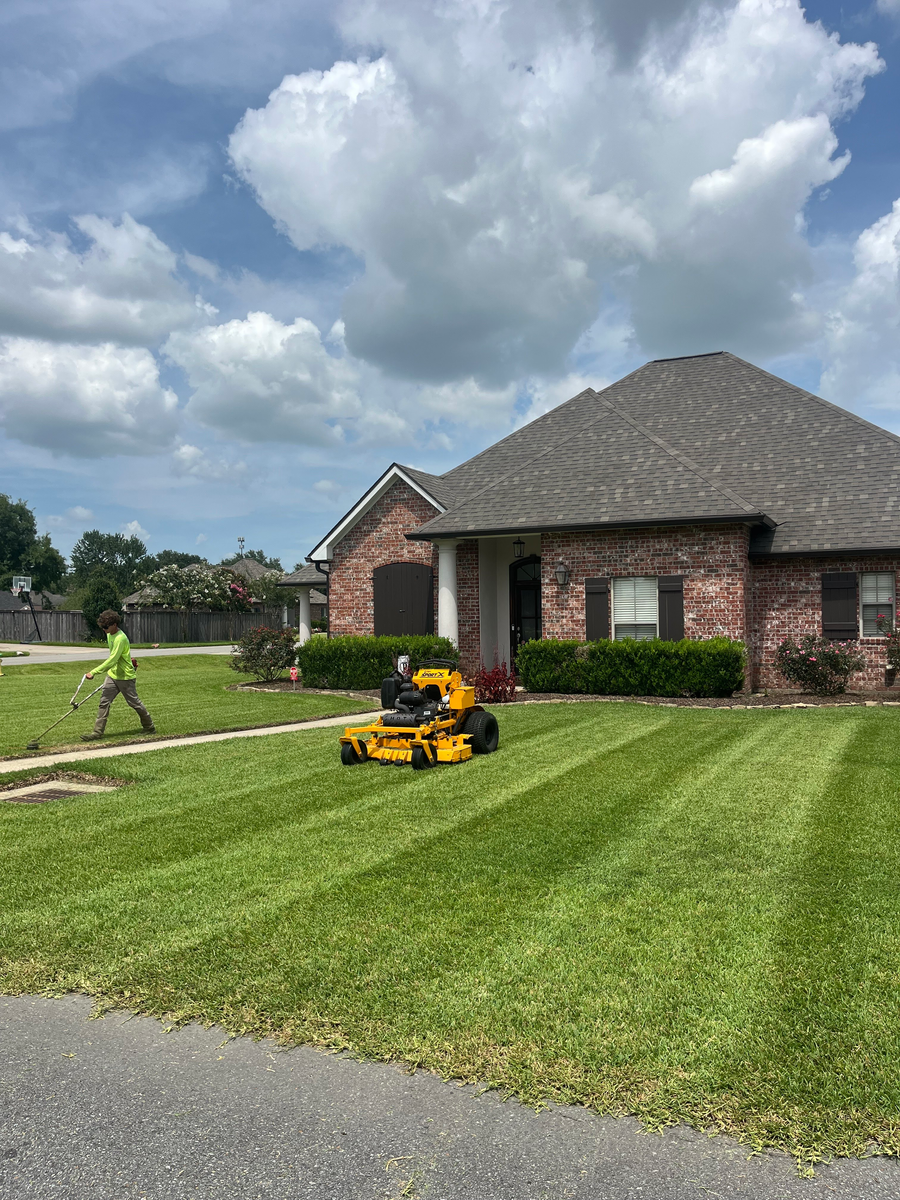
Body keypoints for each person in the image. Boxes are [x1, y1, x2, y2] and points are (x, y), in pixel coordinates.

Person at [80, 610, 156, 741]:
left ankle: (149, 727)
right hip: (113, 675)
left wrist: (93, 672)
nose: (104, 630)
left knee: (134, 703)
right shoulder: (110, 634)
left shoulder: (121, 638)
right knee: (104, 702)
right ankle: (97, 733)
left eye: (106, 627)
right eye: (102, 627)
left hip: (126, 677)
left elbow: (113, 659)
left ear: (114, 624)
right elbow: (113, 659)